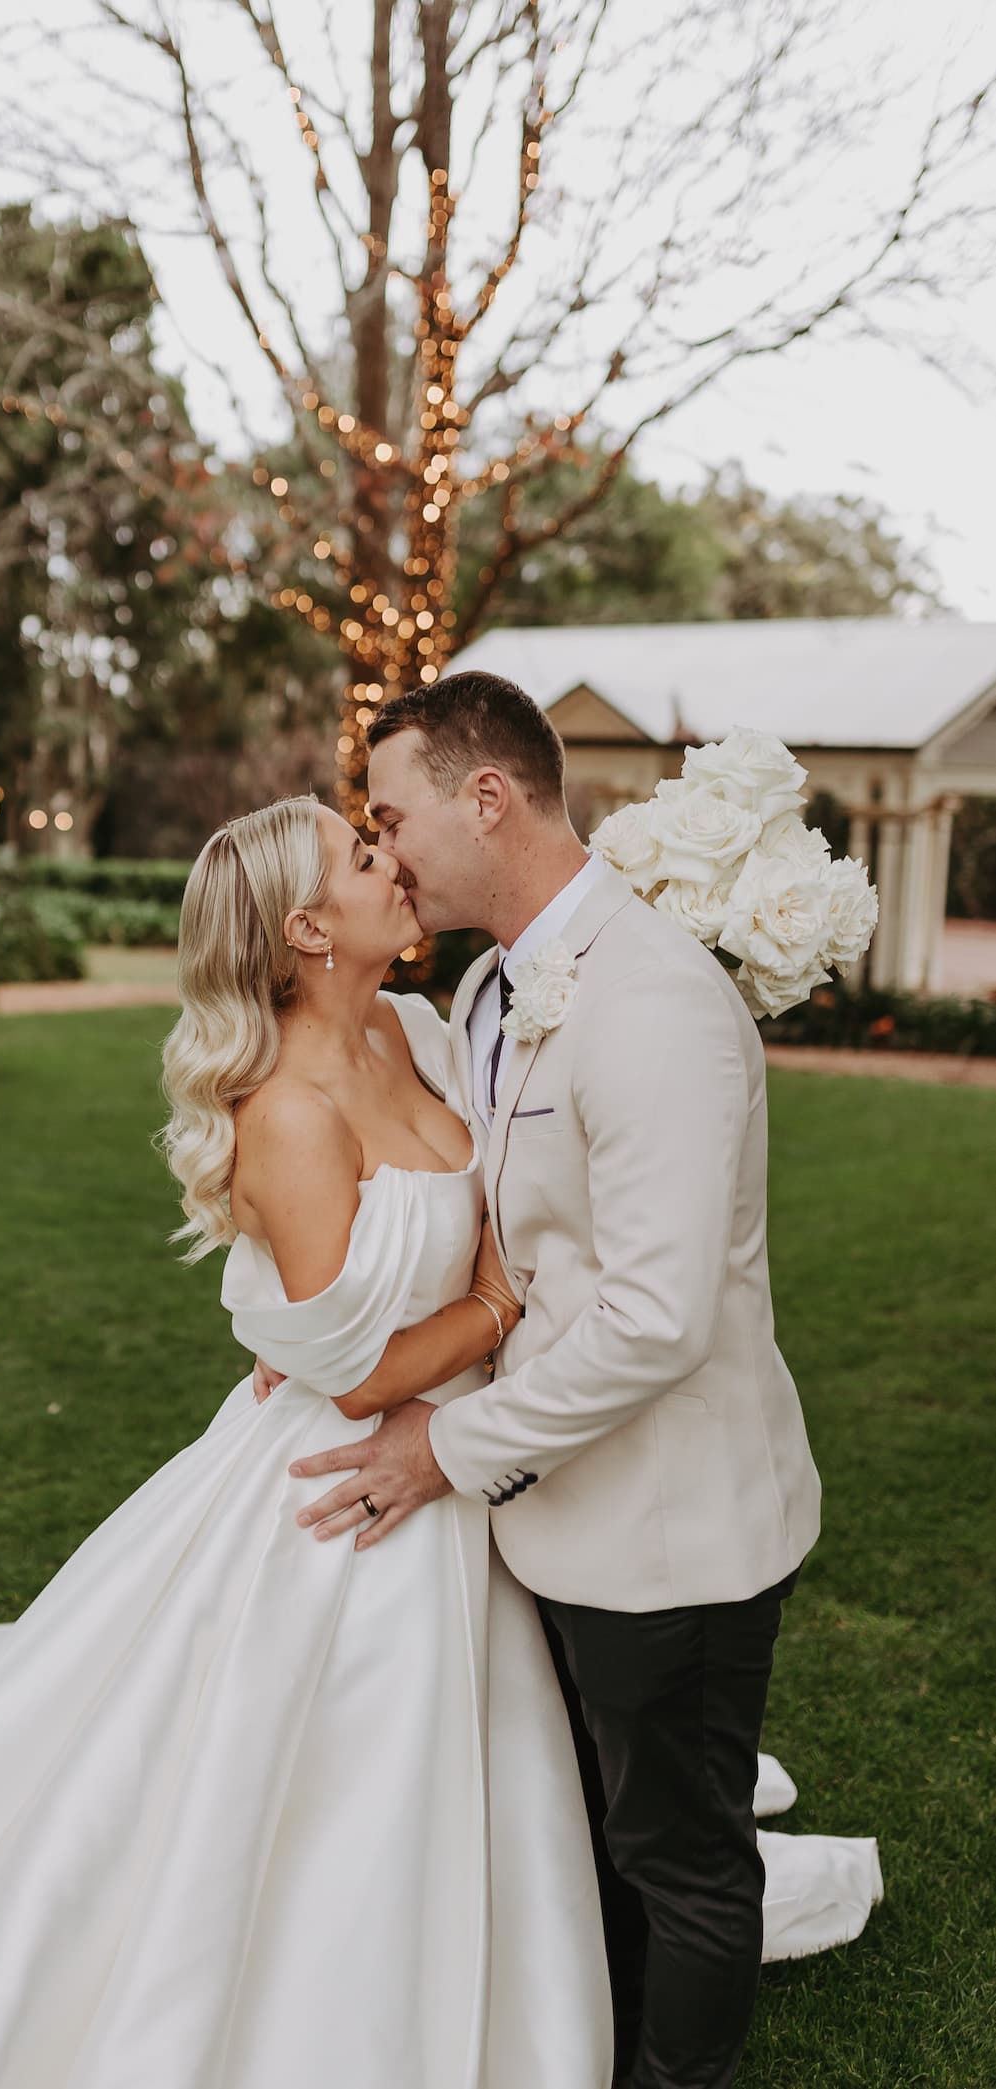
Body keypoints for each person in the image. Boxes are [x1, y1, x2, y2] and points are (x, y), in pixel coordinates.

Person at [0, 794, 617, 2088]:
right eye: (365, 857)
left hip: (445, 1467)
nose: (394, 862)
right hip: (340, 1490)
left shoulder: (411, 1026)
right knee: (309, 1784)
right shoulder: (290, 1115)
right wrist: (492, 1302)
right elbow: (356, 1373)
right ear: (307, 926)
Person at [271, 671, 882, 2089]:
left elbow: (656, 1316)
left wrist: (451, 1445)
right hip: (558, 1513)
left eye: (392, 814)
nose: (389, 848)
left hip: (671, 1530)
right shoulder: (491, 984)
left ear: (487, 797)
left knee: (681, 1855)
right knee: (597, 1830)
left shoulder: (653, 998)